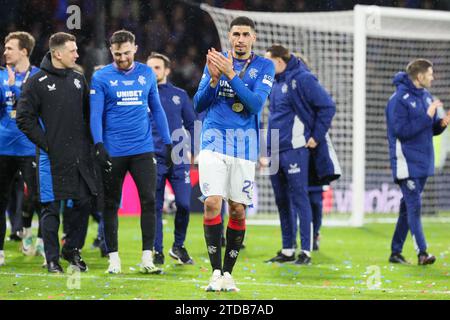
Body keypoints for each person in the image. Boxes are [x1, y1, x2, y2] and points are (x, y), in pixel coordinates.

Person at [193, 16, 275, 292]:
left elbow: (254, 104)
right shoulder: (217, 61)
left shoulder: (265, 66)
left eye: (245, 34)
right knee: (212, 203)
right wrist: (213, 80)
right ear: (229, 37)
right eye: (236, 34)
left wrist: (229, 75)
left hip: (244, 147)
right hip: (213, 142)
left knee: (238, 210)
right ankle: (215, 271)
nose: (240, 39)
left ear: (254, 38)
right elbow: (198, 104)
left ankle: (228, 273)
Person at [90, 30, 172, 274]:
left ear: (135, 48)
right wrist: (98, 144)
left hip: (143, 150)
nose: (122, 58)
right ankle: (113, 260)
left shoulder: (146, 73)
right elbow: (95, 114)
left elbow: (156, 108)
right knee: (111, 204)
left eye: (126, 53)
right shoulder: (101, 77)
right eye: (117, 54)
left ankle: (147, 259)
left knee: (149, 201)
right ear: (111, 51)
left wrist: (167, 142)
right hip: (113, 151)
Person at [16, 32, 97, 273]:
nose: (77, 54)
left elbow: (87, 116)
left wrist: (91, 145)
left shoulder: (79, 79)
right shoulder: (36, 82)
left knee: (82, 203)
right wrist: (47, 143)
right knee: (51, 207)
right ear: (57, 53)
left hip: (79, 157)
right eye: (72, 50)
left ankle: (71, 250)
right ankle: (52, 259)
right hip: (50, 158)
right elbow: (23, 118)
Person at [263, 45, 339, 265]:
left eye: (268, 61)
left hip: (295, 148)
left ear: (278, 61)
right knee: (281, 200)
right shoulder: (275, 83)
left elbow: (327, 106)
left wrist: (316, 135)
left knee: (299, 198)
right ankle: (288, 249)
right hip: (275, 150)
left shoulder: (302, 78)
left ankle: (305, 251)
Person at [386, 59, 450, 265]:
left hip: (423, 161)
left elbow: (429, 128)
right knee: (414, 206)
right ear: (419, 76)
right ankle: (422, 253)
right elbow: (401, 132)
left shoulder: (426, 96)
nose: (433, 77)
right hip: (406, 162)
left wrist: (441, 124)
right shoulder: (397, 99)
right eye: (430, 74)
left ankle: (395, 251)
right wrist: (427, 116)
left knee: (407, 208)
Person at [146, 52, 196, 265]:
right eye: (149, 68)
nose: (152, 72)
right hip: (152, 157)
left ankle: (178, 245)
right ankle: (157, 251)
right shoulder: (140, 95)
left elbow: (193, 124)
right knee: (155, 206)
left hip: (178, 156)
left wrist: (193, 149)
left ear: (166, 71)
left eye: (157, 68)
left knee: (184, 204)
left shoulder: (180, 95)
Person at [0, 31, 44, 267]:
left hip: (30, 148)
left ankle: (40, 243)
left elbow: (35, 108)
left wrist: (14, 89)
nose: (5, 52)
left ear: (24, 51)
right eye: (5, 48)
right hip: (3, 147)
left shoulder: (38, 77)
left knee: (39, 199)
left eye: (9, 48)